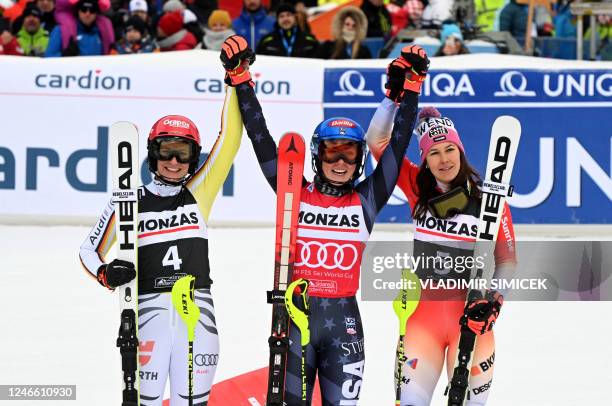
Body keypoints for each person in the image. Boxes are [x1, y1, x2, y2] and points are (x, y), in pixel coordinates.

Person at [220, 34, 429, 404]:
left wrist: (410, 90)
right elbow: (261, 138)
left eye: (350, 154)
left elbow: (397, 146)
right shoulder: (293, 192)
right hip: (296, 322)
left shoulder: (367, 198)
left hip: (343, 328)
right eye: (332, 152)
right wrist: (241, 80)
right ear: (317, 156)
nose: (341, 162)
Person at [79, 86, 244, 405]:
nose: (173, 161)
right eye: (165, 150)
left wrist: (234, 80)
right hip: (148, 318)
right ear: (153, 154)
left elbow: (230, 139)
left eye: (182, 153)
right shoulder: (128, 200)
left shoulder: (199, 193)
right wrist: (105, 273)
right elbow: (89, 250)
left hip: (198, 319)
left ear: (194, 158)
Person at [367, 94, 517, 406]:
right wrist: (392, 99)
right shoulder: (416, 187)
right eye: (433, 153)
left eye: (450, 149)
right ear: (424, 159)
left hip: (473, 323)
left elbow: (507, 260)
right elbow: (377, 141)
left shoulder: (490, 201)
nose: (444, 159)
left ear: (461, 151)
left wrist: (493, 302)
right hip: (422, 322)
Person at [44, 0, 114, 57]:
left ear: (96, 13)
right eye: (84, 9)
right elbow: (48, 56)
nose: (87, 13)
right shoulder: (61, 30)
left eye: (92, 10)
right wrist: (64, 55)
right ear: (78, 11)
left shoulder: (104, 33)